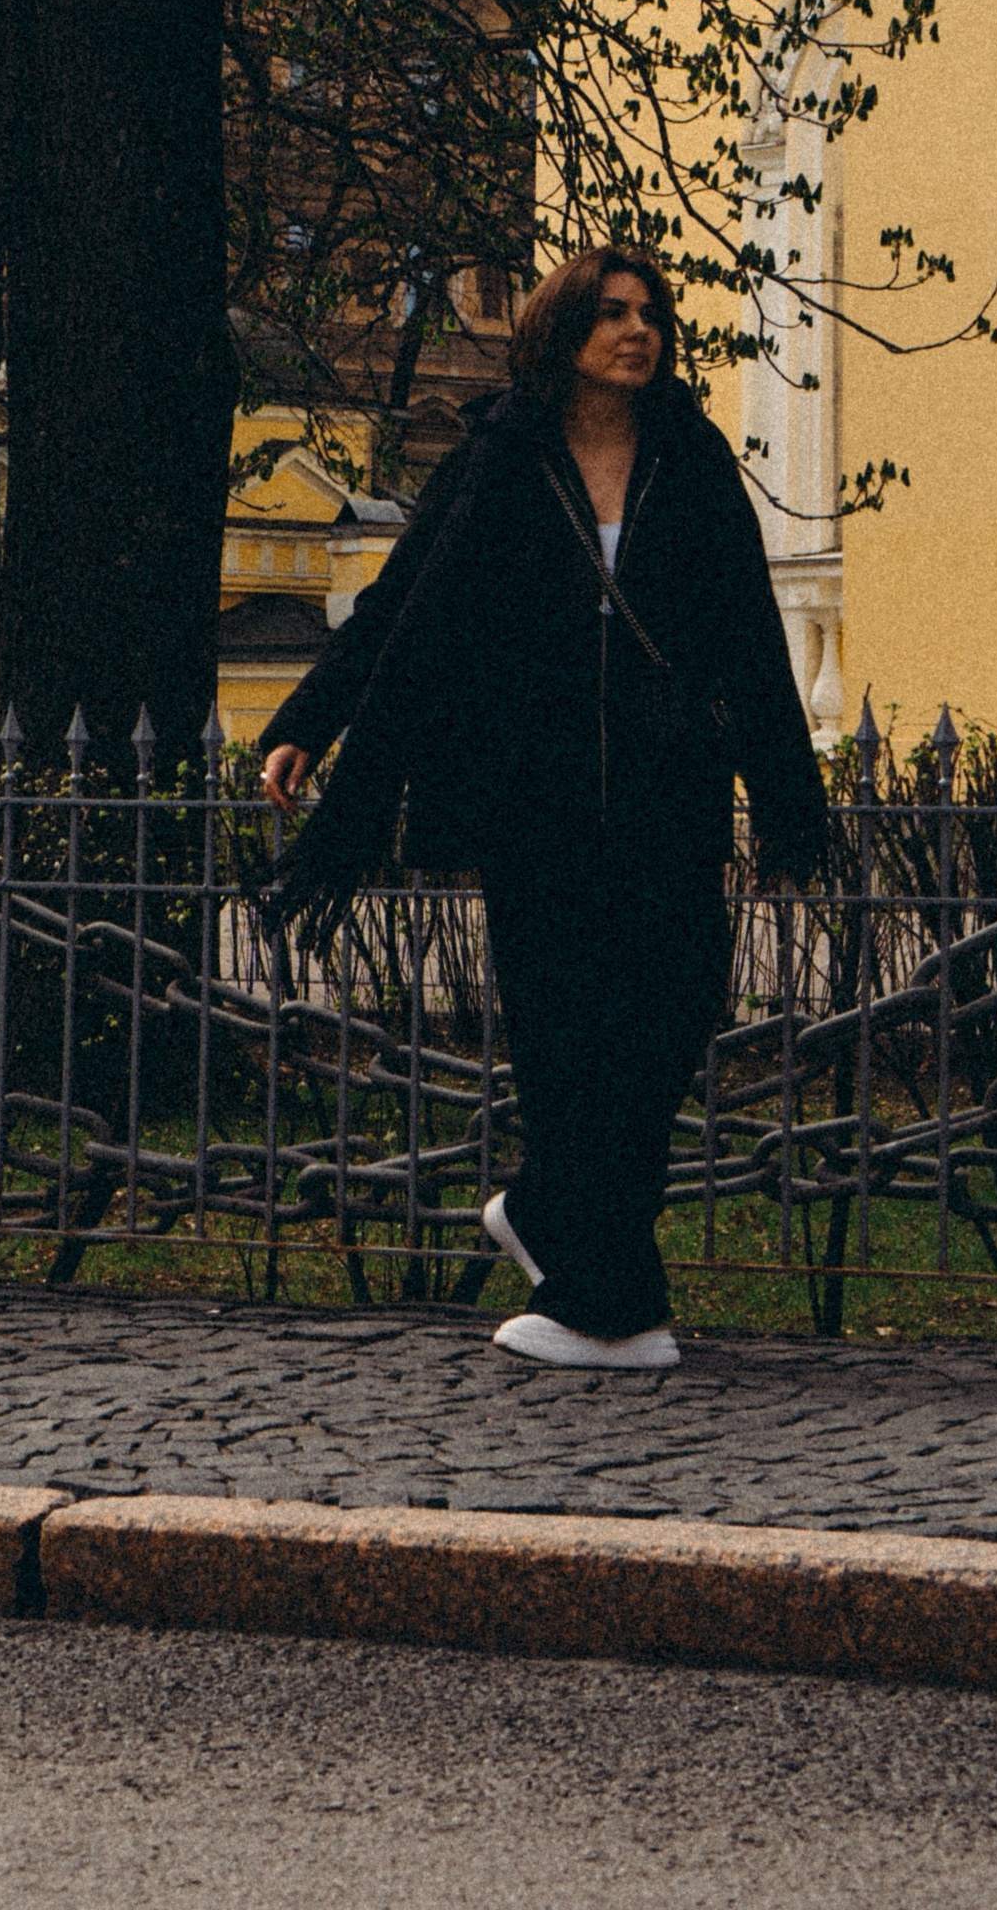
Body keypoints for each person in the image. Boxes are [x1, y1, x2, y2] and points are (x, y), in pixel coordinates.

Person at [257, 246, 829, 1370]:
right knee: (569, 1043)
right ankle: (605, 1302)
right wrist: (308, 719)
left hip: (669, 799)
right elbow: (398, 607)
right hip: (537, 801)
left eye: (650, 313)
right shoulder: (500, 458)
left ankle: (554, 1223)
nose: (638, 330)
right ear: (561, 330)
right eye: (612, 313)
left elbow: (749, 635)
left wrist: (784, 798)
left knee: (665, 1027)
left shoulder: (692, 459)